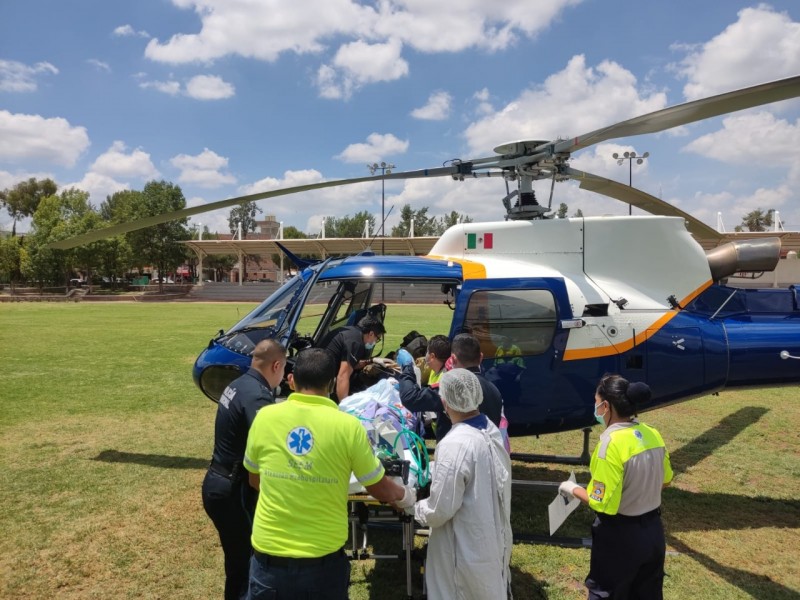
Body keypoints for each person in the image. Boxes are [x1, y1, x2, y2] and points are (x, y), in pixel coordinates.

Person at [243, 347, 415, 600]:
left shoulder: (265, 418)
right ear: (332, 383)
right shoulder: (348, 426)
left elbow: (255, 479)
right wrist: (405, 496)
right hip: (321, 563)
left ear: (292, 380)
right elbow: (378, 487)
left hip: (269, 562)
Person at [558, 374, 673, 600]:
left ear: (606, 406)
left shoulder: (610, 445)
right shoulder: (653, 434)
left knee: (606, 593)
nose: (595, 408)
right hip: (653, 532)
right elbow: (666, 480)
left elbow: (602, 503)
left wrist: (571, 488)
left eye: (596, 402)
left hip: (621, 538)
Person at [413, 368, 513, 599]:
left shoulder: (455, 444)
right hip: (491, 541)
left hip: (464, 551)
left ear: (445, 402)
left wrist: (413, 506)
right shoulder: (490, 429)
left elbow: (440, 510)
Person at [202, 339, 287, 600]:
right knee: (247, 564)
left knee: (237, 562)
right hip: (233, 490)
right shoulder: (257, 396)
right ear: (276, 366)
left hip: (218, 480)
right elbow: (270, 442)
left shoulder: (238, 384)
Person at [397, 333, 504, 441]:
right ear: (480, 357)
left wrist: (407, 367)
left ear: (452, 359)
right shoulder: (494, 390)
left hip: (456, 448)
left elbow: (410, 398)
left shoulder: (454, 387)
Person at [318, 315, 385, 401]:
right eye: (377, 339)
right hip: (320, 380)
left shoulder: (350, 332)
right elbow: (343, 376)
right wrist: (345, 405)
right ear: (371, 334)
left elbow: (351, 364)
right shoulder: (356, 342)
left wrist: (371, 360)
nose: (375, 342)